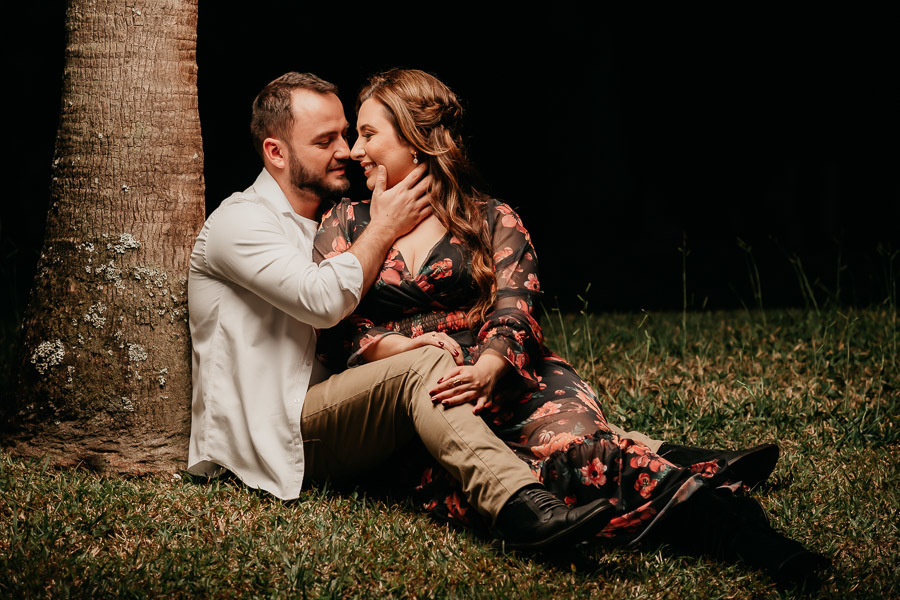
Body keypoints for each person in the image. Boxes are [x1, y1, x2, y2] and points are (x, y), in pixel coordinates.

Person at [313, 68, 829, 586]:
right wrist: (399, 346)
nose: (355, 151)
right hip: (426, 395)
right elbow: (334, 327)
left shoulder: (489, 218)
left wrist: (490, 366)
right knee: (535, 478)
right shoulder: (346, 222)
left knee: (589, 456)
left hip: (508, 375)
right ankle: (681, 475)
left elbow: (516, 306)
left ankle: (752, 540)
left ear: (416, 139)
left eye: (368, 134)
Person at [185, 72, 617, 551]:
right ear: (276, 153)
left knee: (557, 428)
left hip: (347, 409)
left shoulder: (324, 222)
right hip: (278, 430)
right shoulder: (240, 222)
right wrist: (386, 225)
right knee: (423, 365)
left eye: (348, 134)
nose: (348, 151)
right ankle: (518, 507)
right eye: (326, 141)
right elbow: (325, 302)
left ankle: (653, 458)